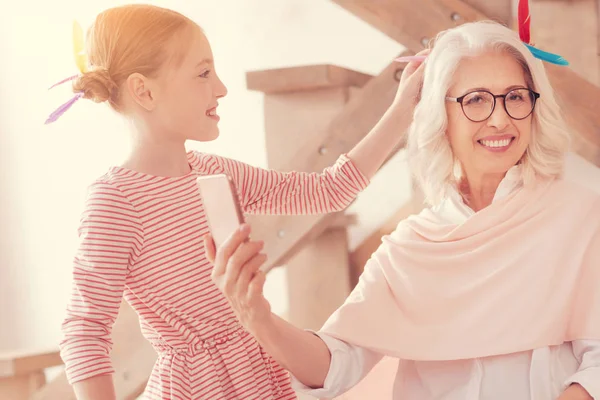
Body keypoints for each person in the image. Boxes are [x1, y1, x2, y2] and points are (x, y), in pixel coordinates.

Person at [208, 20, 600, 400]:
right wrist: (258, 317)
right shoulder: (410, 246)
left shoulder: (581, 218)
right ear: (439, 116)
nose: (500, 118)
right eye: (476, 99)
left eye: (515, 96)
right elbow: (334, 366)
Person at [53, 4, 425, 400]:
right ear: (144, 91)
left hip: (259, 376)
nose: (221, 88)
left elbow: (328, 190)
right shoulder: (115, 201)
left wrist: (404, 109)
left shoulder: (217, 173)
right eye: (203, 73)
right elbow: (84, 331)